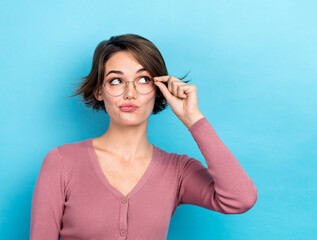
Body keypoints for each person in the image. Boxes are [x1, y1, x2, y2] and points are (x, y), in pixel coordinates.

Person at [29, 33, 258, 240]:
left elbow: (241, 199)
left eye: (143, 80)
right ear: (99, 91)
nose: (130, 93)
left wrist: (193, 119)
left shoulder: (178, 170)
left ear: (159, 89)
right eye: (116, 81)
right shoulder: (62, 162)